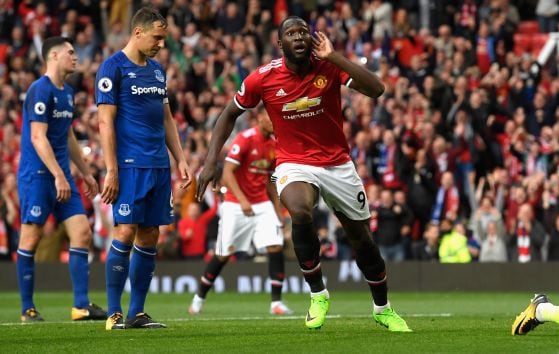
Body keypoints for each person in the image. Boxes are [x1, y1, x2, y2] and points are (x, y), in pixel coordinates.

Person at [196, 16, 410, 332]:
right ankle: (318, 294)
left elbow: (377, 89)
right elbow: (229, 114)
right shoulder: (263, 78)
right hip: (294, 163)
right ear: (280, 44)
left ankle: (382, 308)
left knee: (361, 239)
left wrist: (334, 56)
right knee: (299, 210)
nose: (298, 37)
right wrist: (211, 159)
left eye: (303, 32)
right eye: (291, 33)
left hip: (337, 164)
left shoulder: (328, 66)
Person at [96, 7, 192, 330]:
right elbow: (104, 122)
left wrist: (180, 159)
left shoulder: (157, 71)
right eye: (157, 38)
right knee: (124, 230)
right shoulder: (113, 68)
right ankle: (113, 312)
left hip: (158, 166)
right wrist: (111, 169)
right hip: (129, 165)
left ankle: (137, 312)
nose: (161, 45)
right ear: (138, 33)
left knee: (150, 234)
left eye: (163, 39)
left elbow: (166, 119)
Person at [16, 36, 107, 323]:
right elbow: (36, 136)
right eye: (70, 52)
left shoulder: (67, 92)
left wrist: (85, 172)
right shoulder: (38, 91)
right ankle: (27, 307)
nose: (75, 57)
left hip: (62, 176)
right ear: (53, 56)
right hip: (38, 177)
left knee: (82, 232)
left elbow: (67, 136)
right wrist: (58, 174)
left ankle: (80, 306)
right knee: (31, 237)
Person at [189, 111, 293, 316]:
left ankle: (276, 303)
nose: (274, 122)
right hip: (236, 204)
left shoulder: (273, 145)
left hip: (261, 204)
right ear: (259, 118)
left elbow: (269, 180)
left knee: (275, 246)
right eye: (271, 117)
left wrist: (277, 208)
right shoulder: (245, 139)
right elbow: (227, 172)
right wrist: (243, 200)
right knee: (224, 254)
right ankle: (199, 298)